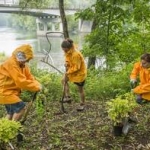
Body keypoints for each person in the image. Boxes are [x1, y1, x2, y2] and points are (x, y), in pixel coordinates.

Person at [0, 44, 41, 121]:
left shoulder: (22, 65)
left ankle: (4, 130)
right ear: (21, 56)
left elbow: (29, 77)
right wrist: (36, 87)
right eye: (27, 59)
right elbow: (21, 82)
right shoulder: (12, 64)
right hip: (5, 92)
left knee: (11, 113)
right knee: (21, 108)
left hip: (10, 92)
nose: (28, 61)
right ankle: (13, 129)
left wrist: (37, 84)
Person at [61, 38, 87, 111]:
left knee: (80, 90)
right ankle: (68, 97)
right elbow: (68, 59)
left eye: (65, 50)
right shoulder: (68, 52)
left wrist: (68, 72)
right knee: (63, 81)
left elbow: (77, 67)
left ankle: (82, 104)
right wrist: (66, 64)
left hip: (79, 74)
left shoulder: (76, 54)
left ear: (69, 48)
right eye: (63, 50)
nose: (64, 51)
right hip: (71, 72)